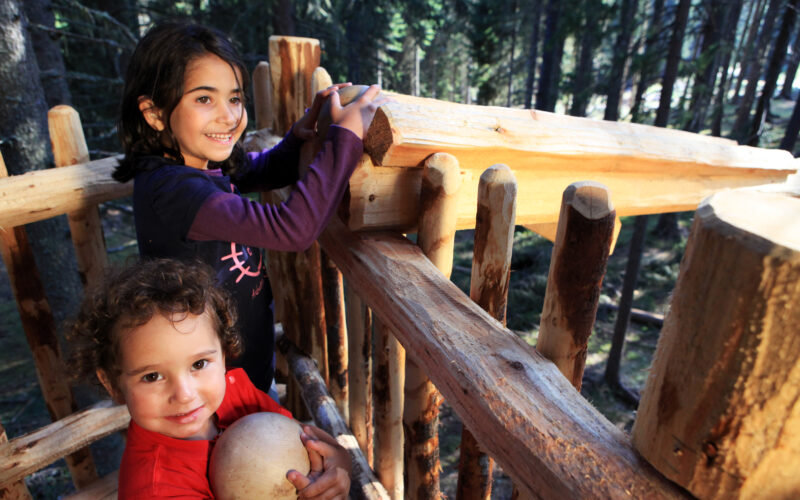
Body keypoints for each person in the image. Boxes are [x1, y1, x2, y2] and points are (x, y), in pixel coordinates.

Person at [112, 20, 383, 395]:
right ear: (155, 112)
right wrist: (346, 138)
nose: (228, 116)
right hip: (212, 396)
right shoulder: (173, 189)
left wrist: (301, 134)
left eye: (235, 99)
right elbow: (294, 228)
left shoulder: (193, 164)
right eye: (204, 99)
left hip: (238, 373)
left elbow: (261, 168)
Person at [67, 258, 352, 499]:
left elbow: (325, 450)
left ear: (224, 355)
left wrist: (336, 471)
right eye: (152, 376)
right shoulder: (156, 489)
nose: (185, 393)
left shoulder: (236, 394)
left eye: (199, 364)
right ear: (112, 384)